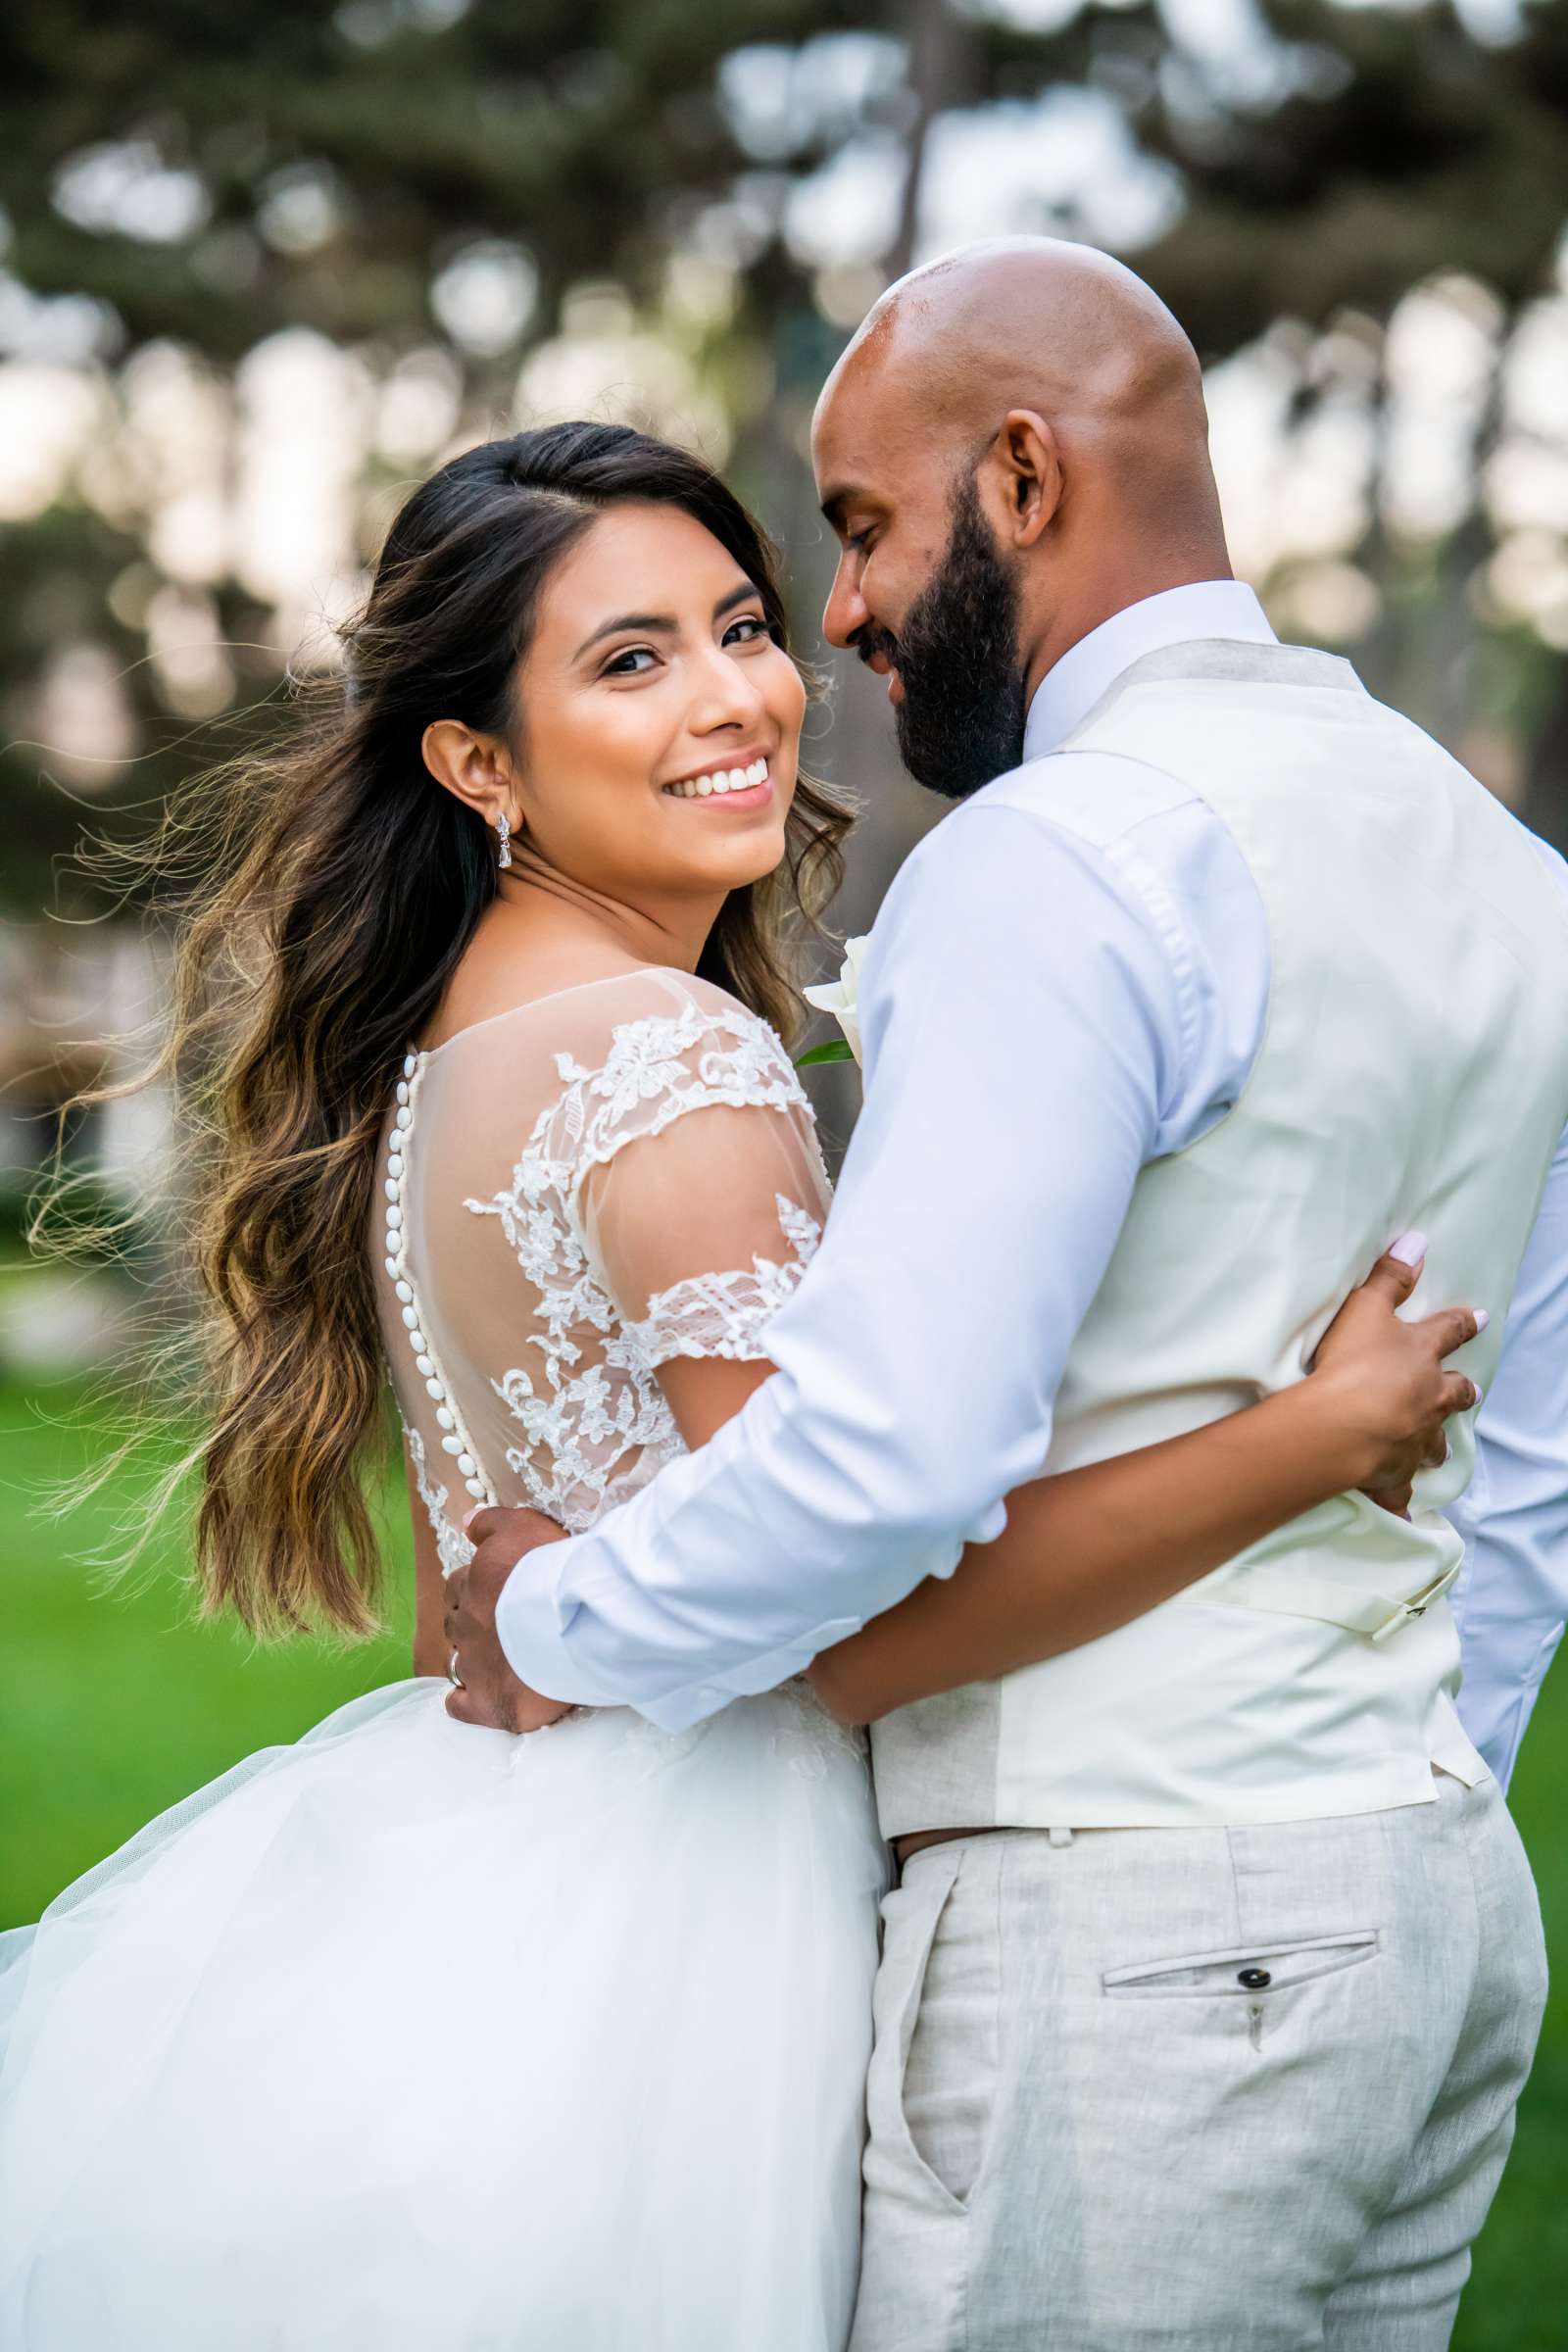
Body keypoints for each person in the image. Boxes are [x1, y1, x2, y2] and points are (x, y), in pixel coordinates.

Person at [0, 420, 1478, 2351]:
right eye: (629, 660)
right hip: (671, 1920)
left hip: (493, 1844)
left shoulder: (469, 1041)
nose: (735, 702)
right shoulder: (660, 1057)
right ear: (473, 760)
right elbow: (855, 1605)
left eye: (740, 626)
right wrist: (1305, 1438)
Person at [450, 248, 1568, 2351]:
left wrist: (543, 1616)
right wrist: (1392, 1807)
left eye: (862, 527)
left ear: (1024, 478)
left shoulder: (1069, 859)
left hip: (1124, 1930)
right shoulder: (1508, 874)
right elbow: (1526, 1464)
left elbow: (889, 1453)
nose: (844, 608)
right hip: (1430, 1906)